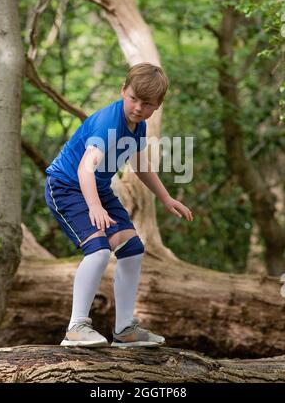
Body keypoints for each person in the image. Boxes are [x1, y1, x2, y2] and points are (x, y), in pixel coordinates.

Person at [45, 62, 193, 348]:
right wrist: (94, 208)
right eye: (133, 98)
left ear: (157, 106)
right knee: (99, 250)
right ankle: (76, 327)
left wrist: (165, 197)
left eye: (146, 103)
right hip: (65, 186)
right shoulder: (107, 122)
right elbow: (84, 169)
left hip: (97, 189)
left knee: (132, 248)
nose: (138, 107)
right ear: (123, 91)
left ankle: (125, 330)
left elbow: (138, 162)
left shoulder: (138, 126)